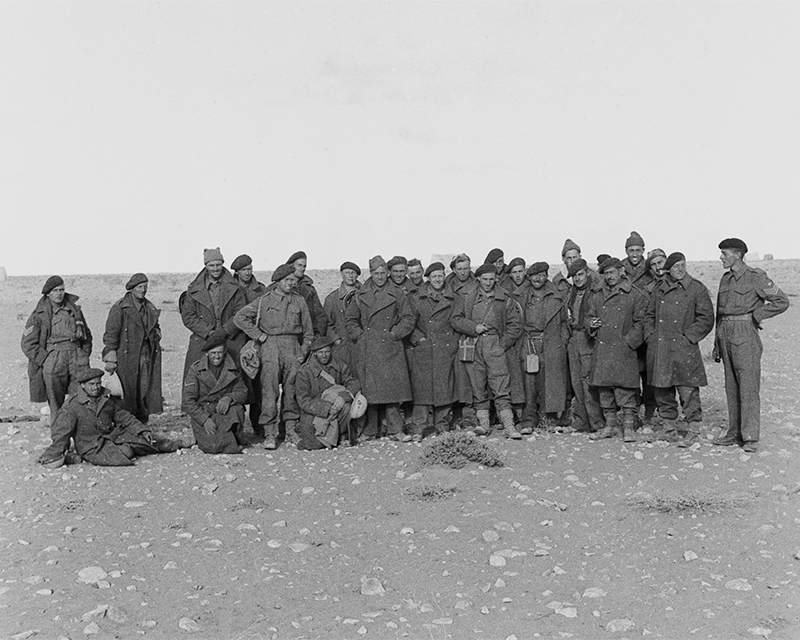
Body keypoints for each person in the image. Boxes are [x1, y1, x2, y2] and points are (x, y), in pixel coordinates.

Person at [712, 238, 789, 452]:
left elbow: (782, 301)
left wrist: (756, 315)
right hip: (725, 333)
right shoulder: (725, 279)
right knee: (731, 386)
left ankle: (750, 436)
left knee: (748, 386)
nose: (721, 258)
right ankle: (734, 432)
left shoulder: (756, 277)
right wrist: (716, 342)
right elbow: (720, 312)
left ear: (737, 255)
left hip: (745, 333)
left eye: (724, 254)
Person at [234, 264, 314, 449]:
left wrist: (303, 351)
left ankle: (290, 430)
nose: (291, 284)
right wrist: (258, 336)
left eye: (293, 281)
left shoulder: (299, 301)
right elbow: (240, 317)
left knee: (291, 390)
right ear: (278, 282)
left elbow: (309, 332)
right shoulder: (264, 301)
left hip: (293, 347)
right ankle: (270, 433)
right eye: (287, 281)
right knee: (268, 391)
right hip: (269, 348)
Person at [39, 368, 176, 468]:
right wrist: (53, 454)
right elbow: (61, 432)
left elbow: (124, 417)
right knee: (126, 453)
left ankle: (176, 444)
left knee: (150, 441)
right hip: (91, 446)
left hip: (112, 437)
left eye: (98, 383)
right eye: (91, 384)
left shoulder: (105, 399)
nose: (96, 388)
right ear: (82, 385)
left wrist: (143, 431)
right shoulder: (73, 405)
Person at [644, 252, 715, 446]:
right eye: (676, 266)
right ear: (668, 269)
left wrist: (689, 337)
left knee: (688, 390)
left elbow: (706, 318)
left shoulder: (696, 288)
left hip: (685, 349)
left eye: (683, 265)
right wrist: (650, 336)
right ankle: (669, 428)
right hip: (661, 348)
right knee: (662, 390)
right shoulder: (659, 289)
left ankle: (693, 429)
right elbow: (649, 315)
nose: (680, 269)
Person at [345, 255, 416, 441]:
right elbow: (350, 320)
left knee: (392, 391)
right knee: (370, 392)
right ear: (371, 273)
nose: (380, 277)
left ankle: (396, 430)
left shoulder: (397, 293)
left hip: (390, 347)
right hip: (368, 348)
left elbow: (408, 318)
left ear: (387, 273)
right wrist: (360, 336)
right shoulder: (360, 295)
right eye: (376, 273)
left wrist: (394, 334)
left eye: (383, 273)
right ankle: (369, 431)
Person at [451, 263, 522, 438]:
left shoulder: (504, 298)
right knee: (477, 387)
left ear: (496, 279)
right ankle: (483, 424)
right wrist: (474, 327)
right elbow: (455, 319)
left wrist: (502, 343)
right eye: (485, 279)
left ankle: (509, 426)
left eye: (492, 279)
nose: (488, 283)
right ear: (478, 279)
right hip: (473, 345)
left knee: (501, 386)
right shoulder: (467, 296)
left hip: (494, 345)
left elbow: (515, 324)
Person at [586, 257, 647, 442]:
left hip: (624, 350)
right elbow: (589, 316)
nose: (609, 277)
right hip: (603, 348)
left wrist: (629, 342)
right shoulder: (597, 295)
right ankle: (610, 426)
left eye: (612, 272)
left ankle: (629, 427)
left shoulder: (635, 294)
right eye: (606, 273)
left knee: (625, 390)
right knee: (605, 390)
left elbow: (642, 323)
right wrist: (591, 324)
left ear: (621, 271)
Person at [21, 276, 92, 424]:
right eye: (55, 291)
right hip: (54, 360)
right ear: (48, 294)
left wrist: (84, 354)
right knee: (55, 404)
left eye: (61, 290)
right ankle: (59, 442)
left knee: (81, 399)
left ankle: (81, 441)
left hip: (77, 358)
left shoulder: (74, 311)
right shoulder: (39, 314)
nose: (59, 294)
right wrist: (45, 359)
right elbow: (27, 343)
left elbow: (87, 336)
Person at [513, 262, 569, 434]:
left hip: (550, 343)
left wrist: (562, 342)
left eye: (542, 275)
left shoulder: (556, 296)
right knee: (528, 383)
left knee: (549, 381)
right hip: (528, 343)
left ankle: (548, 417)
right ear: (529, 277)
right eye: (534, 275)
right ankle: (528, 420)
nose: (538, 279)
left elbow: (564, 323)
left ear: (547, 276)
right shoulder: (519, 297)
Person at [407, 262, 460, 440]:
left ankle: (442, 425)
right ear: (427, 278)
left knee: (444, 387)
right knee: (422, 389)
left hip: (445, 348)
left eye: (440, 275)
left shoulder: (453, 298)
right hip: (425, 348)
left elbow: (457, 320)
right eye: (434, 276)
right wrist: (418, 340)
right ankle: (419, 427)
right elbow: (409, 323)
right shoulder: (416, 298)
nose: (438, 279)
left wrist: (452, 341)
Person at [102, 273, 163, 423]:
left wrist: (156, 335)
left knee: (144, 389)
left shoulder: (149, 307)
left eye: (145, 287)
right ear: (132, 289)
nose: (142, 290)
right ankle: (125, 423)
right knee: (126, 392)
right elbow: (111, 334)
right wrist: (110, 358)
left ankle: (142, 423)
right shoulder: (120, 308)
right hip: (126, 357)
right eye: (139, 287)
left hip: (146, 355)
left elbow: (156, 327)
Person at [179, 248, 247, 381]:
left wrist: (225, 330)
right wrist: (208, 332)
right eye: (211, 265)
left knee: (234, 375)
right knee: (196, 373)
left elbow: (240, 313)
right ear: (206, 266)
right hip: (203, 337)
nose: (215, 269)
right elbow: (188, 316)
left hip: (229, 337)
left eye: (218, 265)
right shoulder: (194, 289)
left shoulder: (235, 287)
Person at [182, 336, 248, 454]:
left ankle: (232, 441)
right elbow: (187, 401)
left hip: (224, 412)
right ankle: (228, 442)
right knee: (211, 447)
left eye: (219, 353)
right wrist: (204, 419)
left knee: (237, 409)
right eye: (213, 353)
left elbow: (243, 391)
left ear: (225, 352)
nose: (217, 356)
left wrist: (229, 398)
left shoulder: (233, 367)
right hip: (204, 412)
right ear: (207, 353)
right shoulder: (196, 369)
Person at [295, 335, 361, 450]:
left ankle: (342, 434)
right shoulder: (304, 371)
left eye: (327, 352)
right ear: (314, 353)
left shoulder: (340, 365)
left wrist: (343, 397)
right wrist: (327, 408)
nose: (324, 355)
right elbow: (303, 401)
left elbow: (353, 383)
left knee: (346, 407)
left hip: (338, 408)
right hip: (315, 412)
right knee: (314, 444)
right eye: (320, 352)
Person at [620, 231, 657, 425]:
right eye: (631, 250)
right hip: (629, 329)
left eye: (638, 250)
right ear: (626, 251)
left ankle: (649, 415)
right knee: (630, 375)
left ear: (643, 250)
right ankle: (631, 415)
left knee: (649, 375)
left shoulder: (651, 269)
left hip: (648, 329)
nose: (634, 253)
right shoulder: (620, 269)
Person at [565, 259, 604, 433]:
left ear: (587, 273)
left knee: (588, 382)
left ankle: (596, 422)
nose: (578, 279)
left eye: (580, 274)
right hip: (574, 338)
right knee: (576, 382)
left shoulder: (595, 292)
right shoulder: (572, 292)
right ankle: (582, 420)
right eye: (574, 276)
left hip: (587, 339)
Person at [231, 254, 267, 434]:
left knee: (257, 385)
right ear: (236, 272)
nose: (248, 273)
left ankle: (258, 426)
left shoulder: (260, 290)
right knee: (238, 384)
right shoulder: (229, 289)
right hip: (235, 343)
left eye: (250, 269)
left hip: (254, 343)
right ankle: (237, 426)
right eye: (244, 270)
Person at [323, 261, 361, 372]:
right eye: (347, 272)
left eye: (353, 273)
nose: (350, 275)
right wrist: (336, 340)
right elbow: (327, 324)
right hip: (341, 348)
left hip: (360, 344)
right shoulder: (331, 299)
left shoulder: (365, 295)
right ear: (341, 274)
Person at [285, 251, 327, 337]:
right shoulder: (278, 287)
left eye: (304, 266)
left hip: (306, 336)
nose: (303, 269)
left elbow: (319, 315)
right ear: (291, 266)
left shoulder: (309, 289)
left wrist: (317, 334)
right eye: (299, 265)